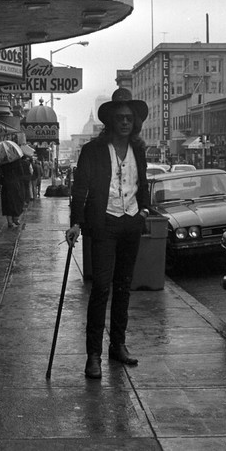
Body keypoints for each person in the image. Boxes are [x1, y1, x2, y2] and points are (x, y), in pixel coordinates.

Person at [65, 88, 150, 379]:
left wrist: (145, 212)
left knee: (124, 286)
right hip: (104, 223)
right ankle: (93, 355)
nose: (125, 122)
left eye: (130, 118)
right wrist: (76, 222)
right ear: (111, 121)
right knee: (101, 287)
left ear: (135, 122)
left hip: (131, 224)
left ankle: (118, 345)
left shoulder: (139, 149)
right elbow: (80, 188)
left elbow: (144, 184)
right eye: (120, 117)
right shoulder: (93, 150)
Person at [0, 158, 25, 227]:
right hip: (16, 186)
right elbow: (22, 174)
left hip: (6, 187)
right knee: (17, 202)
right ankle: (16, 218)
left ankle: (9, 222)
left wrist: (3, 182)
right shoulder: (18, 163)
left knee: (7, 203)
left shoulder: (3, 165)